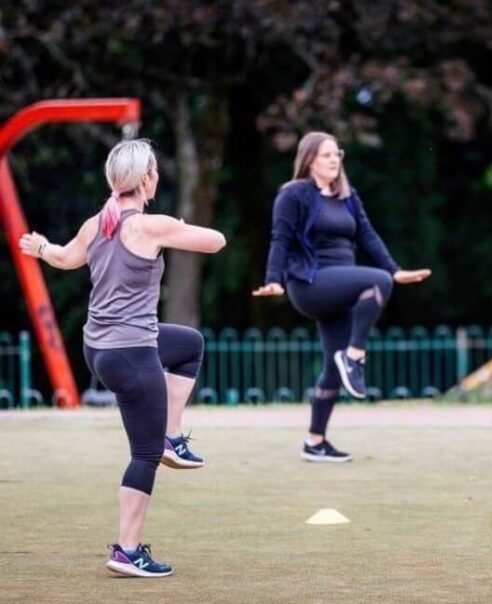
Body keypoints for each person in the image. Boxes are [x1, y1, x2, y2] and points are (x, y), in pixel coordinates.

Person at [19, 139, 226, 578]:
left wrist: (40, 248)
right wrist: (177, 227)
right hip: (130, 353)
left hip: (100, 348)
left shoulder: (98, 224)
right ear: (146, 178)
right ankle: (127, 551)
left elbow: (64, 257)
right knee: (144, 454)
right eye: (155, 172)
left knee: (188, 344)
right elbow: (217, 241)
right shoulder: (149, 226)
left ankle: (173, 435)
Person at [253, 131, 430, 463]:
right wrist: (274, 279)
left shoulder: (348, 196)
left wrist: (395, 270)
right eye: (326, 155)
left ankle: (315, 441)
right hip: (310, 284)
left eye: (337, 154)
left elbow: (368, 235)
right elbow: (280, 238)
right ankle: (355, 356)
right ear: (309, 160)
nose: (334, 160)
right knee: (376, 283)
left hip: (341, 287)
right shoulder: (293, 195)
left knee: (333, 366)